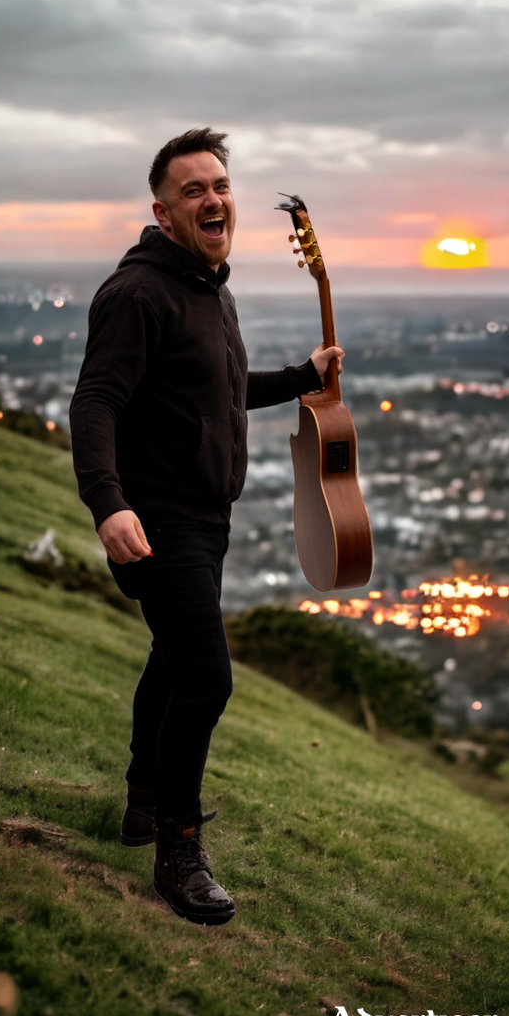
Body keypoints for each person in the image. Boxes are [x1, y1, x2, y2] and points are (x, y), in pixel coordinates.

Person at [69, 128, 343, 926]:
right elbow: (96, 402)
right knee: (206, 676)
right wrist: (108, 502)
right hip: (157, 518)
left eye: (219, 184)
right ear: (162, 209)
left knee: (172, 657)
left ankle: (144, 805)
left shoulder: (210, 288)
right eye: (192, 189)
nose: (212, 198)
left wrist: (302, 378)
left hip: (207, 514)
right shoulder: (139, 294)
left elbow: (217, 392)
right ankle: (177, 853)